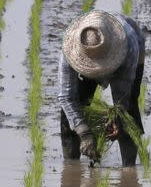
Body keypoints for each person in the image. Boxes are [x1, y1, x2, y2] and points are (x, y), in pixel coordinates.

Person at [58, 10, 145, 167]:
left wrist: (116, 119)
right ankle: (71, 166)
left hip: (126, 58)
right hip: (85, 66)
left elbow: (122, 99)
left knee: (128, 114)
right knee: (71, 113)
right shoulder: (70, 46)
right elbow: (66, 97)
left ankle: (129, 168)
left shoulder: (128, 45)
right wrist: (84, 133)